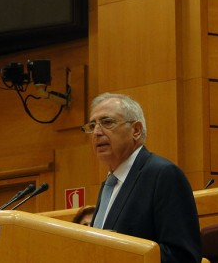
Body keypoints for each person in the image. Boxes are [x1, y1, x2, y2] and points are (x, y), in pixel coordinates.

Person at [81, 92, 202, 263]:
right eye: (92, 126)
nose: (97, 133)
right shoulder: (109, 185)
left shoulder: (163, 175)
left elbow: (183, 256)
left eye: (107, 122)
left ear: (136, 130)